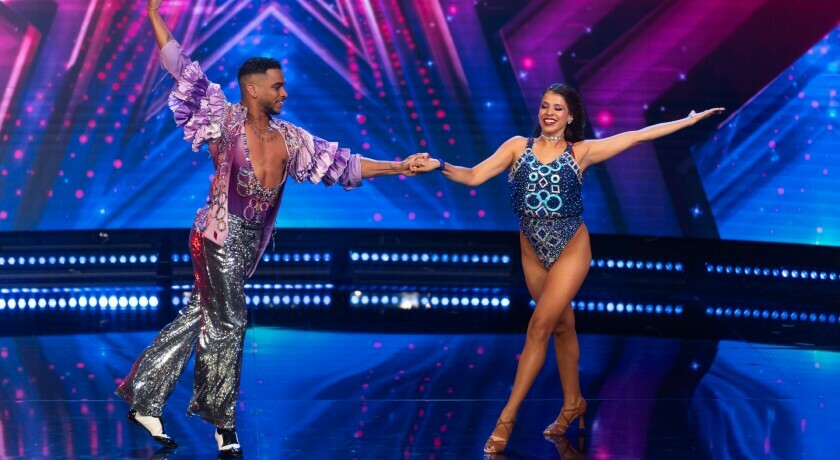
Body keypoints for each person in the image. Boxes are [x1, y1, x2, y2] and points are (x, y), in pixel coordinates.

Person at [115, 0, 428, 457]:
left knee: (201, 316)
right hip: (216, 234)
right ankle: (223, 423)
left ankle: (144, 396)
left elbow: (343, 164)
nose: (284, 93)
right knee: (231, 320)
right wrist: (153, 14)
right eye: (277, 86)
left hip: (247, 246)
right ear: (253, 88)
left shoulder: (291, 138)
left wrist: (400, 166)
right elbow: (181, 67)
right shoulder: (223, 119)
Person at [410, 83, 723, 454]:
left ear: (570, 116)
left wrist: (688, 121)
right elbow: (474, 176)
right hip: (532, 251)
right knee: (562, 326)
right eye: (545, 106)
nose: (549, 113)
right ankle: (574, 403)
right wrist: (439, 165)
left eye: (558, 108)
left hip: (571, 249)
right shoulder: (517, 147)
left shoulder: (581, 152)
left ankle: (506, 419)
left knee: (539, 326)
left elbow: (637, 136)